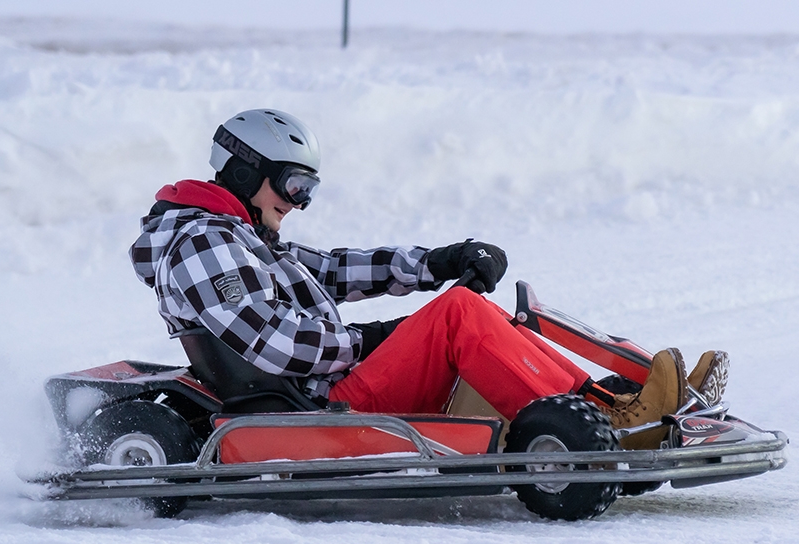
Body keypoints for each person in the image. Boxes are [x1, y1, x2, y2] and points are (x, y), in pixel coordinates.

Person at [130, 108, 727, 451]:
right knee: (457, 315)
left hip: (329, 388)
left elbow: (331, 270)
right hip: (320, 407)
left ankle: (606, 406)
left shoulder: (239, 235)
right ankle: (610, 420)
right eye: (293, 185)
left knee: (472, 310)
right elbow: (277, 343)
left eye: (309, 189)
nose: (299, 202)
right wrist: (376, 338)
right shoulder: (202, 244)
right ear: (244, 171)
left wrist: (437, 262)